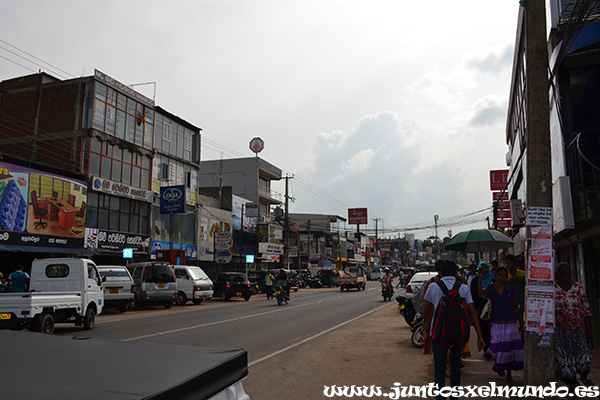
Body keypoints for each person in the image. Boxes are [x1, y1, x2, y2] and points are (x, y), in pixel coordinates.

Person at [423, 260, 485, 399]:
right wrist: (480, 336)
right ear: (456, 273)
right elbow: (473, 312)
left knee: (439, 368)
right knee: (455, 366)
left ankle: (440, 397)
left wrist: (426, 323)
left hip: (438, 333)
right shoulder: (463, 288)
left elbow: (426, 310)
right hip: (459, 333)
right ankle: (454, 397)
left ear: (440, 272)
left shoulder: (433, 286)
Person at [478, 265, 524, 384]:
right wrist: (479, 276)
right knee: (497, 347)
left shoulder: (510, 290)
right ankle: (498, 365)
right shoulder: (491, 288)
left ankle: (509, 374)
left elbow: (514, 307)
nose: (501, 278)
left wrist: (521, 322)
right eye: (499, 275)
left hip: (510, 323)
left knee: (509, 349)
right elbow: (480, 292)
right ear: (496, 276)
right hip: (496, 323)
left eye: (504, 275)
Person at [554, 262, 593, 389]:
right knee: (564, 359)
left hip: (578, 329)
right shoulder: (553, 289)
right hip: (561, 330)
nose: (566, 276)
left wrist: (588, 332)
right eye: (563, 273)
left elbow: (586, 310)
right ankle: (572, 384)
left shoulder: (578, 288)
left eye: (568, 273)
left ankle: (582, 376)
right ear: (558, 274)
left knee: (583, 357)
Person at [470, 262, 492, 351]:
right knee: (483, 327)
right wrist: (476, 308)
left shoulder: (492, 278)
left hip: (491, 305)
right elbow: (474, 294)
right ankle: (486, 347)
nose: (483, 269)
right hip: (480, 306)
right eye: (481, 268)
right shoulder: (475, 280)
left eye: (485, 267)